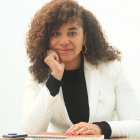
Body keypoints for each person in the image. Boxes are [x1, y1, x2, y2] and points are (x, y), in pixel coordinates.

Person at [21, 0, 140, 138]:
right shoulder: (37, 75)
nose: (64, 41)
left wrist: (100, 128)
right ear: (45, 38)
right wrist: (55, 77)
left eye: (72, 33)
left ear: (85, 37)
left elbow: (137, 125)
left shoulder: (112, 68)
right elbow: (31, 129)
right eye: (56, 33)